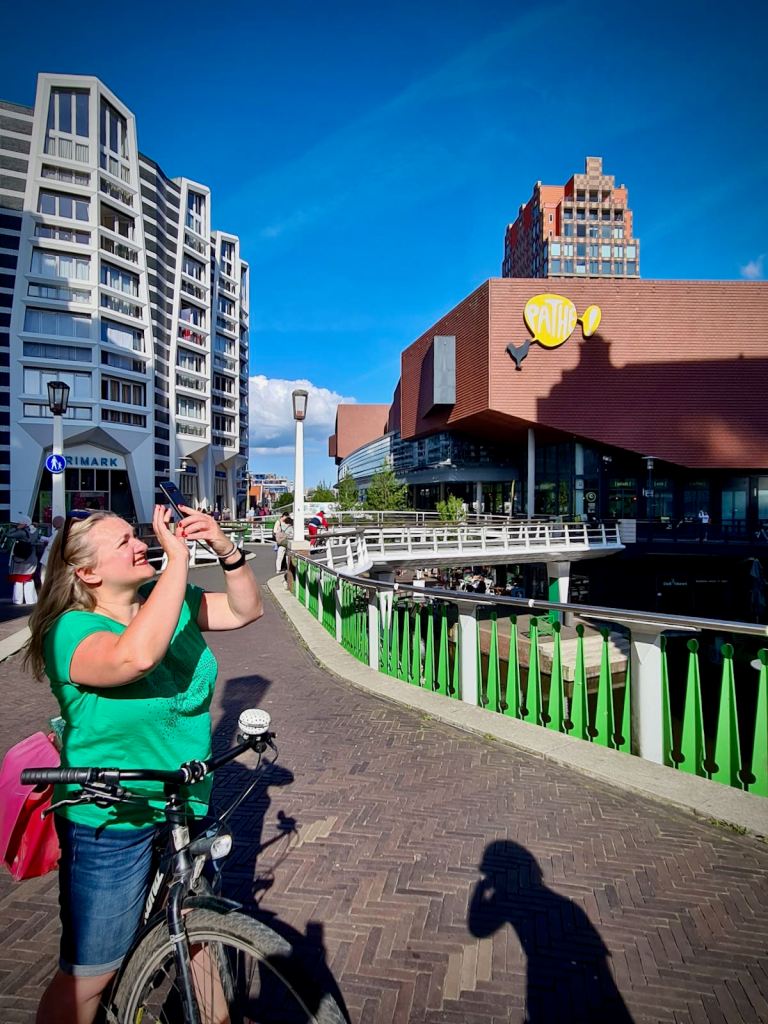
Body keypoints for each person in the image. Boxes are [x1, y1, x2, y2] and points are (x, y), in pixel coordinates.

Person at [22, 503, 263, 1024]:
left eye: (137, 535)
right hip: (112, 815)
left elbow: (244, 611)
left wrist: (226, 549)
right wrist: (178, 558)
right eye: (124, 543)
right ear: (88, 573)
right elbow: (136, 657)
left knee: (198, 936)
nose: (140, 544)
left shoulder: (165, 600)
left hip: (184, 800)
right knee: (92, 975)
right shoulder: (69, 631)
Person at [7, 513, 39, 605]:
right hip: (31, 557)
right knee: (28, 578)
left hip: (20, 559)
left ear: (24, 523)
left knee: (19, 579)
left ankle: (18, 600)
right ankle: (31, 599)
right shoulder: (35, 531)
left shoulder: (21, 532)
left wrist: (17, 528)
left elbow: (8, 534)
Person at [39, 514, 64, 587]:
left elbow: (51, 543)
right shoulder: (63, 531)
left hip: (48, 558)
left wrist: (42, 538)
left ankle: (46, 591)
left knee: (44, 575)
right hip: (55, 558)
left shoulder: (58, 532)